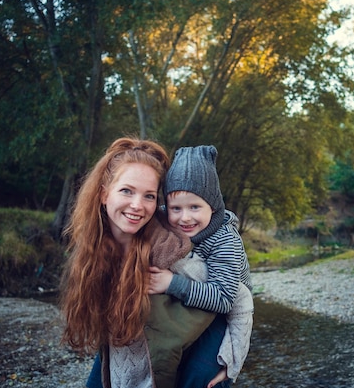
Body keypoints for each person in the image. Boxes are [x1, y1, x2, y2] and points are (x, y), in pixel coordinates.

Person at [59, 137, 215, 388]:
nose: (137, 205)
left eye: (149, 196)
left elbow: (233, 295)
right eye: (126, 191)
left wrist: (225, 360)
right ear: (103, 194)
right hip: (118, 354)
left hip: (169, 370)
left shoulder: (169, 252)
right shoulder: (94, 245)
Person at [148, 145, 253, 388]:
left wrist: (171, 283)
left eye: (194, 207)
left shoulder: (225, 240)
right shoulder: (167, 221)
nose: (185, 218)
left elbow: (224, 298)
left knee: (201, 374)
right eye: (176, 208)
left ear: (213, 206)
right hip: (190, 304)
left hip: (224, 314)